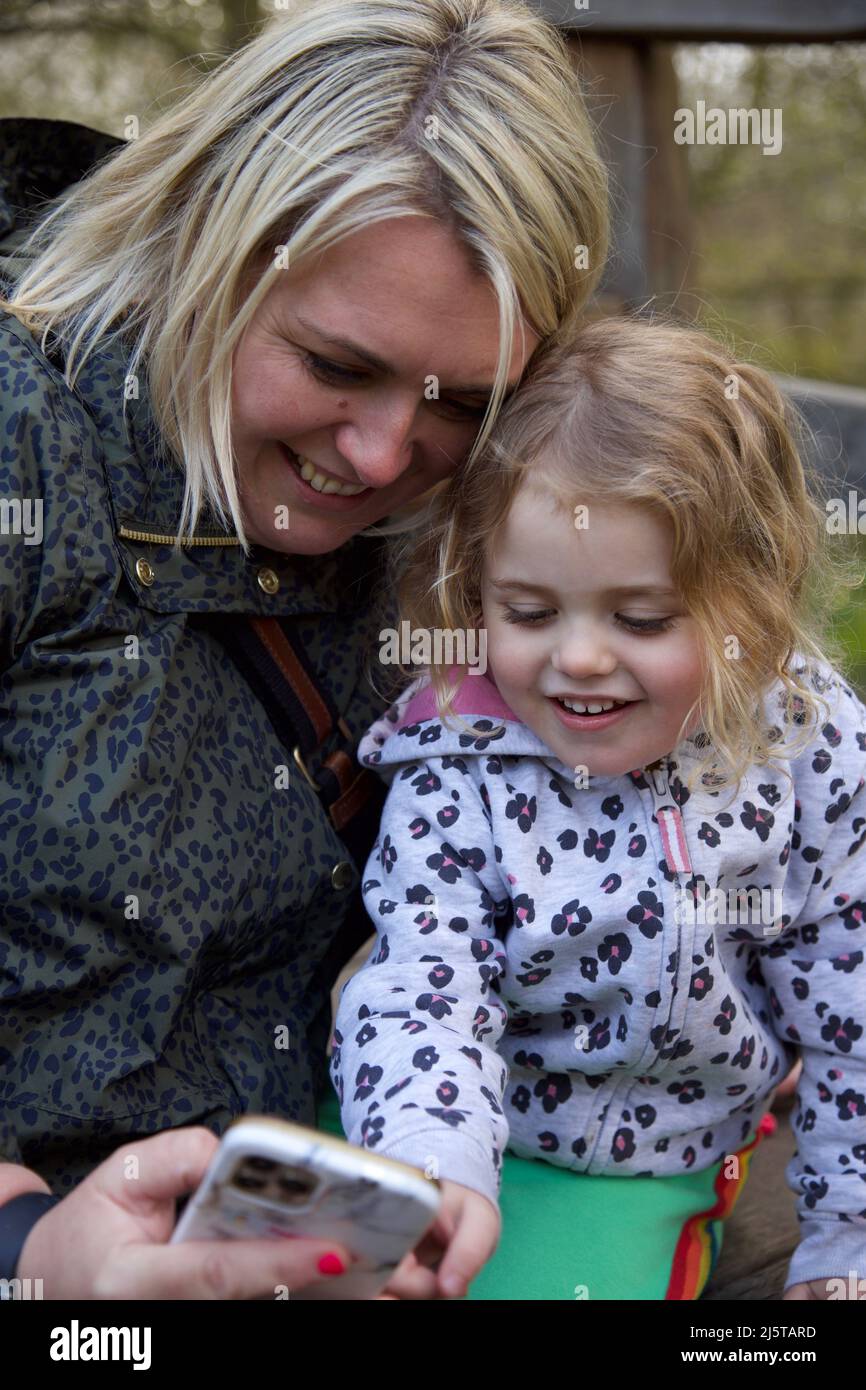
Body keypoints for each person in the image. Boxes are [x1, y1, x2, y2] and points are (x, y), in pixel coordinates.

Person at [0, 0, 609, 1299]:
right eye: (336, 364)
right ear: (202, 248)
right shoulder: (24, 463)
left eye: (459, 399)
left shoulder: (478, 527)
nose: (384, 456)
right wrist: (28, 1249)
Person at [326, 315, 866, 1300]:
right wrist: (433, 1168)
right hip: (470, 1124)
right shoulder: (458, 755)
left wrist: (843, 1239)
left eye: (642, 617)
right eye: (527, 611)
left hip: (658, 1154)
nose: (576, 657)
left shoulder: (801, 744)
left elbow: (849, 993)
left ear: (746, 595)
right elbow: (426, 980)